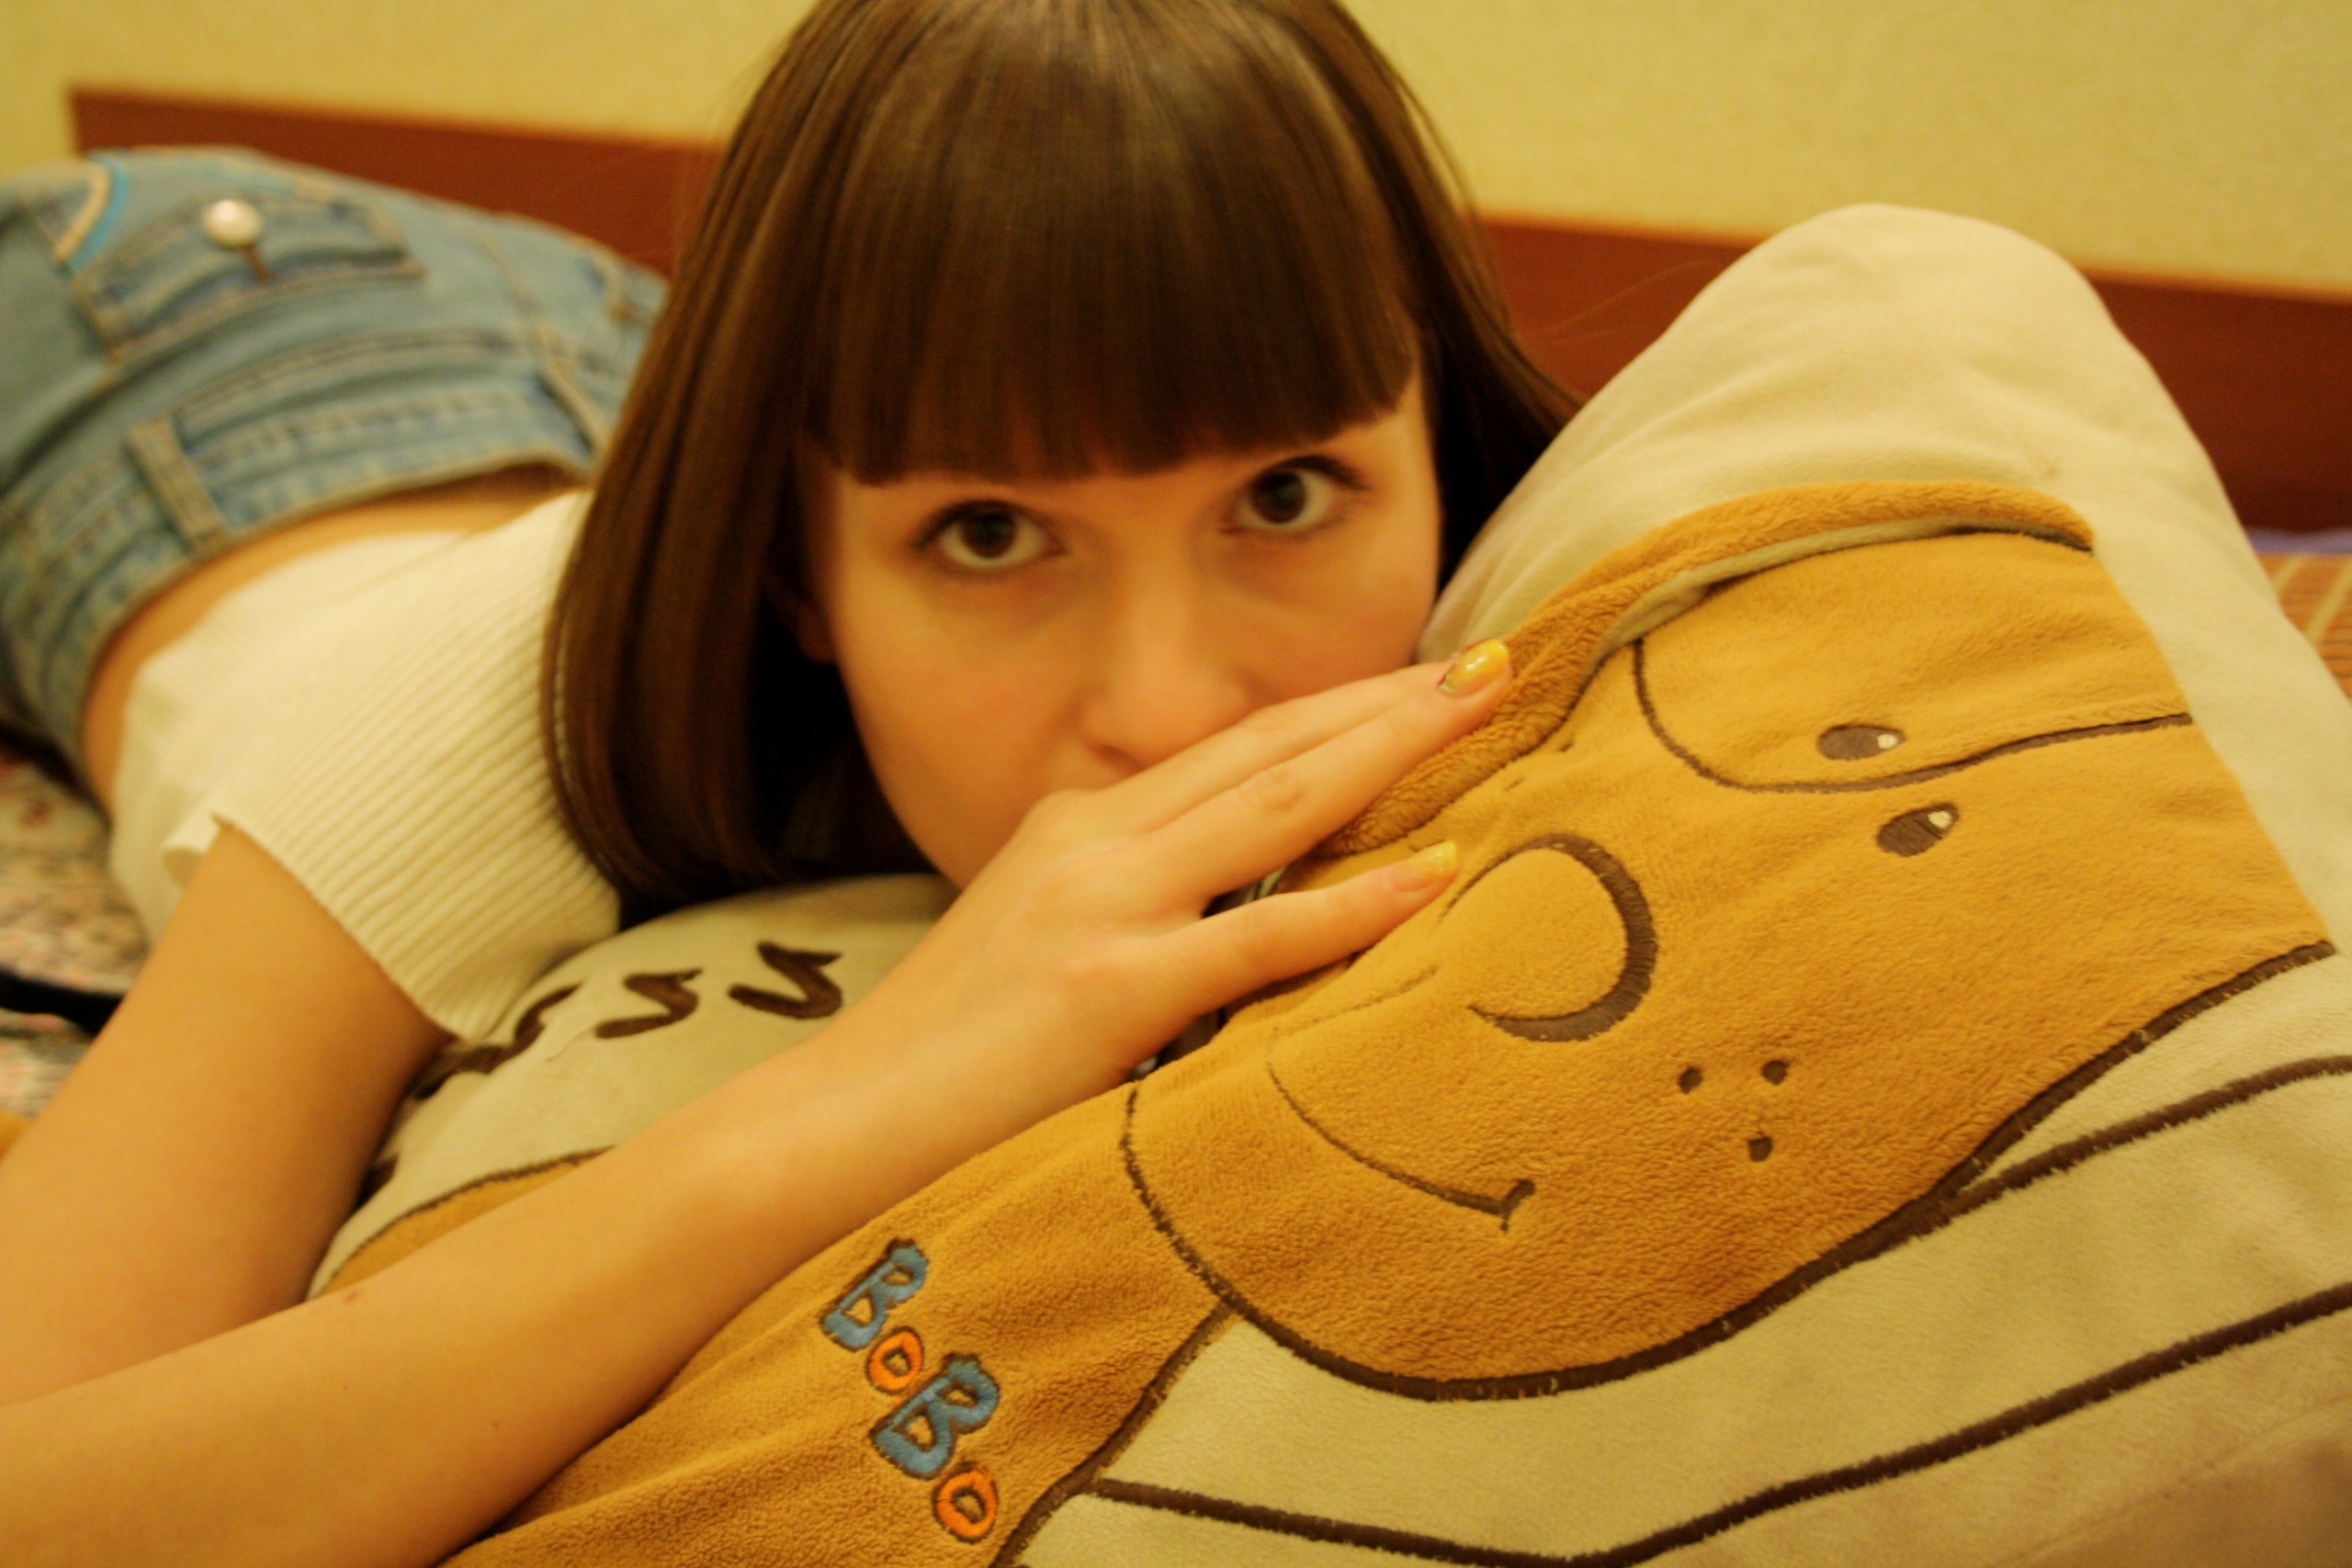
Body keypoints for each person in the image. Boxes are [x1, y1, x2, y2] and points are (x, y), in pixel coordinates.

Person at [0, 0, 1567, 1561]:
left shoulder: (1518, 586)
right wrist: (853, 1102)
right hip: (160, 348)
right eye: (991, 535)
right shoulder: (488, 701)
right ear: (789, 568)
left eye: (1285, 496)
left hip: (608, 336)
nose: (1166, 709)